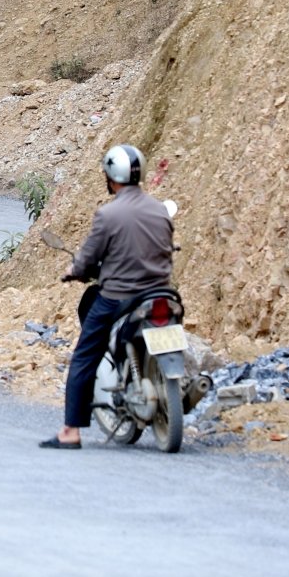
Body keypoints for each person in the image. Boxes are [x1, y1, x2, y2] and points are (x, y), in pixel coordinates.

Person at [41, 143, 175, 450]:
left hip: (119, 297)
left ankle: (71, 431)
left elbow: (88, 258)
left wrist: (74, 270)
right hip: (162, 294)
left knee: (84, 355)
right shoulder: (160, 209)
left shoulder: (108, 214)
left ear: (111, 176)